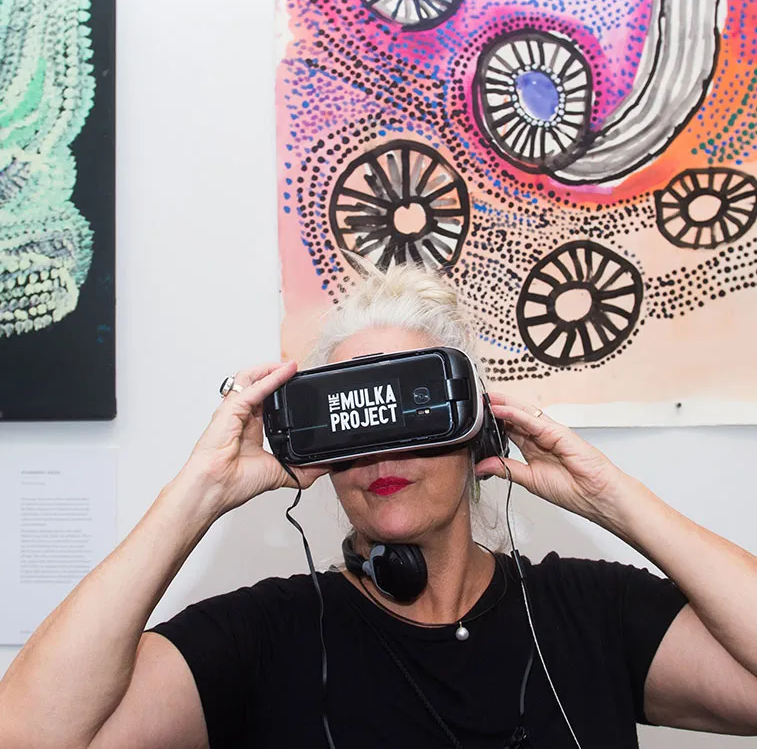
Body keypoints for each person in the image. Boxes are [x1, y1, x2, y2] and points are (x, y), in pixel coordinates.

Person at [1, 263, 756, 749]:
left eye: (413, 412)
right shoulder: (263, 637)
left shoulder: (587, 612)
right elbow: (28, 736)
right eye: (352, 424)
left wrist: (612, 499)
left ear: (473, 428)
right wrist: (196, 493)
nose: (381, 454)